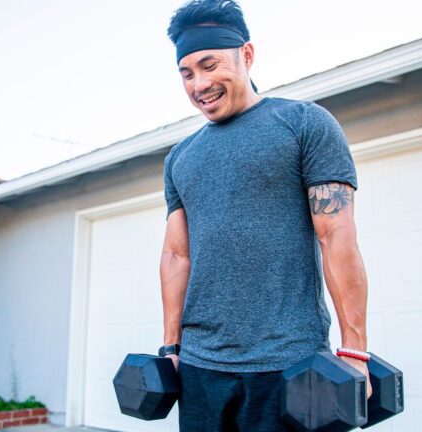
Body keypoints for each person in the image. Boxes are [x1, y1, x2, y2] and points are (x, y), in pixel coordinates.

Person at [159, 1, 372, 430]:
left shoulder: (304, 123)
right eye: (186, 73)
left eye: (209, 65)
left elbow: (336, 237)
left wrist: (354, 349)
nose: (199, 84)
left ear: (247, 55)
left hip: (289, 363)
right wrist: (171, 347)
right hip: (201, 368)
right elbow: (176, 256)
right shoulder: (179, 158)